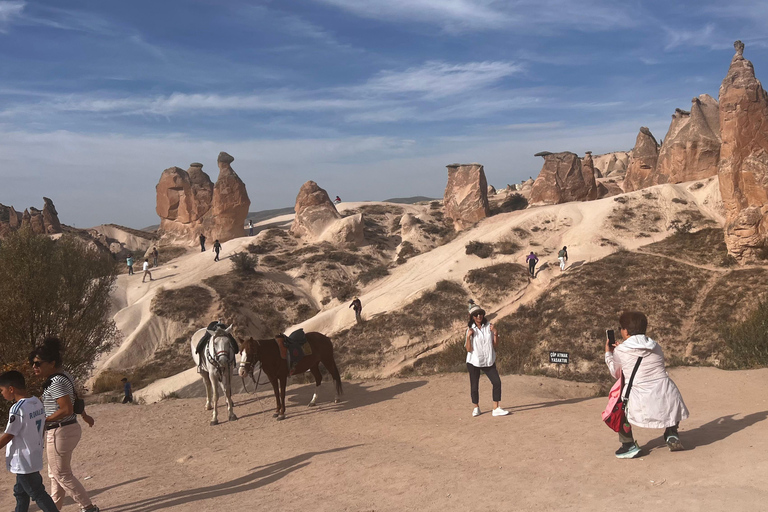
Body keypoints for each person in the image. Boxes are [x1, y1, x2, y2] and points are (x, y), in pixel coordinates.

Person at [605, 311, 689, 459]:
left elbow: (616, 373)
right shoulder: (656, 346)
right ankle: (671, 434)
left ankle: (628, 445)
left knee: (618, 405)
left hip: (639, 398)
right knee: (671, 401)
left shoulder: (621, 350)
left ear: (625, 330)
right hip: (666, 393)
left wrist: (609, 354)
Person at [29, 338, 99, 512]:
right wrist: (84, 415)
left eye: (37, 363)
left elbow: (66, 409)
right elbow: (74, 399)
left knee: (61, 474)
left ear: (52, 362)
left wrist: (43, 421)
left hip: (60, 431)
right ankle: (54, 509)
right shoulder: (64, 375)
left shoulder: (55, 382)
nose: (34, 367)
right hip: (68, 429)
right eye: (32, 363)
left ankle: (89, 508)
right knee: (55, 475)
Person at [0, 370, 59, 512]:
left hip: (23, 460)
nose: (1, 394)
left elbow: (9, 434)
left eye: (1, 390)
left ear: (11, 389)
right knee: (21, 493)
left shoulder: (17, 408)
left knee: (37, 493)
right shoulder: (36, 402)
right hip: (33, 455)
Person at [465, 302, 509, 417]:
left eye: (480, 314)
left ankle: (496, 408)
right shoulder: (470, 330)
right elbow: (468, 349)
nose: (479, 316)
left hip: (488, 360)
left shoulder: (489, 326)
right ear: (472, 317)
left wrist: (495, 333)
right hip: (474, 361)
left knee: (497, 382)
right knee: (474, 386)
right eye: (476, 315)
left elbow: (495, 346)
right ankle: (476, 407)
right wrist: (469, 336)